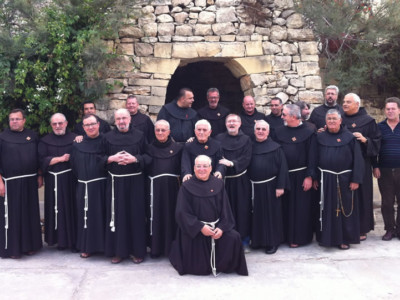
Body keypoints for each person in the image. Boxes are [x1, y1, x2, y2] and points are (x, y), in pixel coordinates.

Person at [169, 155, 248, 276]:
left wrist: (221, 228)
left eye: (205, 166)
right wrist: (200, 228)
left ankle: (223, 264)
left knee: (234, 237)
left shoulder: (218, 184)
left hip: (216, 227)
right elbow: (182, 212)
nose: (202, 169)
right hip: (195, 229)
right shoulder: (186, 186)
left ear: (211, 168)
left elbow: (225, 209)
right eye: (198, 166)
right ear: (194, 168)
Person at [316, 109, 364, 250]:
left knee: (344, 210)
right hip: (325, 179)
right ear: (326, 121)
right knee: (326, 209)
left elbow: (358, 160)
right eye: (329, 118)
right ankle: (326, 238)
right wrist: (313, 176)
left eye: (334, 118)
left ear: (340, 121)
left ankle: (344, 239)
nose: (331, 121)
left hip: (345, 179)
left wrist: (356, 179)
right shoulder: (319, 137)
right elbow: (312, 157)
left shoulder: (349, 137)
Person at [103, 108, 146, 264]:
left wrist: (135, 159)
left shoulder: (140, 136)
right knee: (117, 216)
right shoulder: (107, 138)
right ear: (115, 121)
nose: (121, 121)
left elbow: (148, 156)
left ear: (130, 119)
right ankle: (118, 252)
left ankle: (137, 251)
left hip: (135, 183)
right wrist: (111, 158)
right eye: (118, 119)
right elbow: (99, 158)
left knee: (135, 216)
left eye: (124, 118)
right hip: (115, 183)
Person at [0, 109, 43, 258]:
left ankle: (30, 246)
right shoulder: (2, 137)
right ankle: (13, 249)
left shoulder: (32, 136)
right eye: (11, 119)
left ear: (24, 120)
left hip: (30, 182)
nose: (14, 122)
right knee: (13, 216)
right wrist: (0, 182)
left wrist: (39, 175)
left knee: (29, 214)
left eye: (17, 119)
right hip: (10, 184)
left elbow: (38, 157)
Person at [273, 104, 317, 247]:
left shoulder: (309, 131)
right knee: (284, 207)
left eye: (284, 114)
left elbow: (312, 155)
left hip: (302, 176)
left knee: (301, 208)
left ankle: (299, 238)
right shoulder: (278, 131)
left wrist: (310, 176)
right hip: (283, 176)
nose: (282, 117)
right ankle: (284, 236)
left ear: (293, 116)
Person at [341, 93, 381, 241]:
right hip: (344, 165)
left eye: (348, 102)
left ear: (357, 104)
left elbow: (377, 142)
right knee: (346, 195)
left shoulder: (368, 121)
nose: (344, 104)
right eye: (344, 101)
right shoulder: (339, 119)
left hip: (363, 164)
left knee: (362, 196)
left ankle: (362, 228)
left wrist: (365, 140)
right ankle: (346, 227)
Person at [248, 120, 289, 254]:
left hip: (271, 186)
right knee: (256, 215)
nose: (260, 131)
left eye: (263, 129)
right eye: (258, 129)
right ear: (254, 131)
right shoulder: (249, 146)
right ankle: (258, 241)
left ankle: (272, 242)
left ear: (268, 131)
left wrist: (280, 186)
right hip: (254, 186)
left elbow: (283, 168)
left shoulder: (276, 147)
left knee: (271, 216)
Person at [144, 120, 184, 257]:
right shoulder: (148, 148)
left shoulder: (178, 148)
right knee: (155, 217)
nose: (160, 133)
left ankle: (170, 248)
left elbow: (182, 168)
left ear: (169, 132)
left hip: (172, 189)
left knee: (171, 217)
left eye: (163, 130)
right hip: (154, 189)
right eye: (157, 130)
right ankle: (155, 248)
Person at [38, 113, 77, 251]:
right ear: (51, 125)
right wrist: (60, 159)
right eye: (54, 124)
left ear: (66, 123)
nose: (58, 126)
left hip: (70, 180)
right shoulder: (44, 141)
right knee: (55, 210)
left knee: (70, 209)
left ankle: (72, 241)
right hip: (52, 181)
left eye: (60, 123)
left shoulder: (75, 139)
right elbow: (41, 160)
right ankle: (58, 241)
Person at [70, 114, 108, 259]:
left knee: (103, 215)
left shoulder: (106, 141)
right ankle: (87, 247)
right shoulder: (77, 144)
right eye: (87, 125)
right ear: (83, 127)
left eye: (93, 124)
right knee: (85, 217)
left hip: (102, 186)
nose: (90, 127)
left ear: (98, 124)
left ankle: (105, 247)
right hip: (84, 186)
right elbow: (73, 164)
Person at [215, 114, 252, 251]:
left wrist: (232, 163)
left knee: (242, 210)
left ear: (240, 123)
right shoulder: (219, 139)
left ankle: (244, 240)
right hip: (223, 181)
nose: (232, 123)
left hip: (240, 179)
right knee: (224, 211)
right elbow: (217, 157)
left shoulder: (246, 139)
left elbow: (247, 158)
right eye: (229, 121)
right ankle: (225, 240)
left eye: (234, 121)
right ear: (225, 124)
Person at [373, 97, 400, 241]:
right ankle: (389, 229)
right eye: (388, 109)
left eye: (393, 109)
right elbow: (374, 149)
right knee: (387, 202)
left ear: (399, 110)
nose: (390, 111)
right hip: (384, 170)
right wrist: (375, 166)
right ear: (385, 110)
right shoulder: (379, 127)